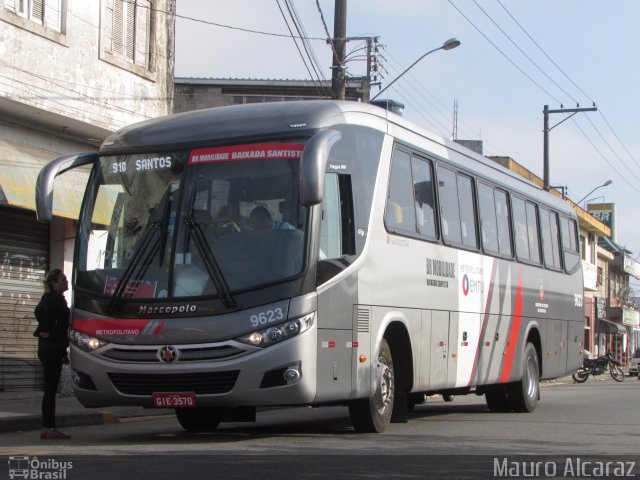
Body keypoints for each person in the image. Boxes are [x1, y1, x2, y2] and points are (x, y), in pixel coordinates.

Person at [33, 269, 72, 440]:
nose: (66, 282)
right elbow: (39, 311)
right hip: (51, 348)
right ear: (54, 282)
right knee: (50, 390)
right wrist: (46, 329)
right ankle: (48, 428)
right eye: (63, 279)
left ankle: (47, 427)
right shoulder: (51, 298)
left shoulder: (56, 299)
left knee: (50, 389)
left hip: (52, 347)